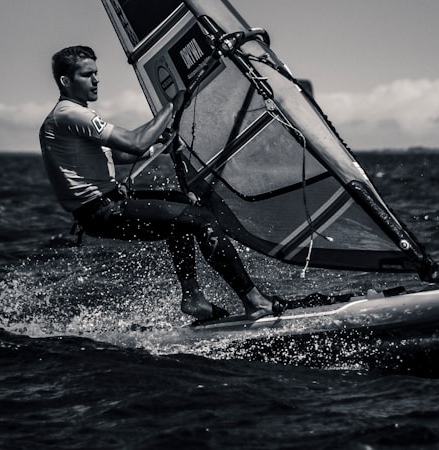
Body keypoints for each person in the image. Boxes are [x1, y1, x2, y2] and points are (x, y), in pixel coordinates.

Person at [39, 45, 284, 323]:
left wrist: (162, 143)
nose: (96, 80)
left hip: (106, 205)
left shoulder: (74, 116)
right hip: (101, 212)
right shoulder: (69, 114)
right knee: (200, 219)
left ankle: (193, 298)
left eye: (96, 73)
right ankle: (254, 300)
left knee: (181, 203)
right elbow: (134, 143)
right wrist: (171, 106)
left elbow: (119, 153)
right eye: (87, 75)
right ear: (66, 81)